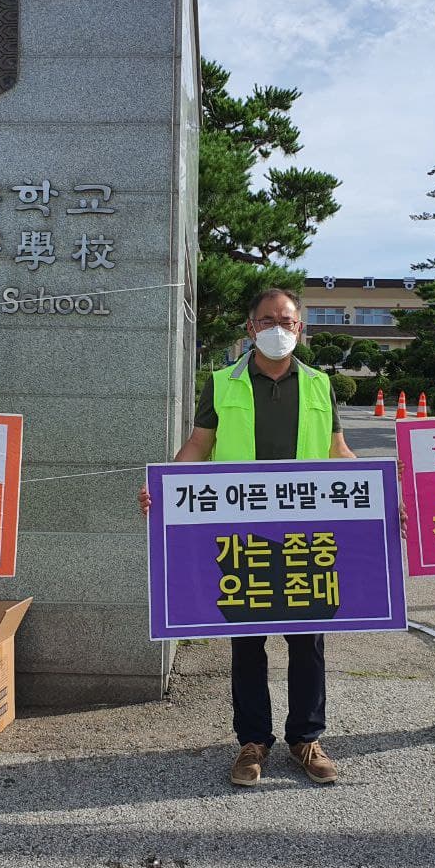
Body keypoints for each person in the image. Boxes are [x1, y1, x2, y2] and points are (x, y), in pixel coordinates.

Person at [139, 288, 356, 787]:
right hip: (242, 533)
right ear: (250, 328)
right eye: (267, 320)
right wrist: (164, 489)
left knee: (308, 642)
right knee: (247, 641)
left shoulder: (321, 385)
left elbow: (338, 451)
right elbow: (199, 445)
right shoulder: (222, 383)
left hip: (306, 535)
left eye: (287, 321)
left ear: (300, 329)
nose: (278, 328)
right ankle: (252, 742)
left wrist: (383, 493)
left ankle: (306, 737)